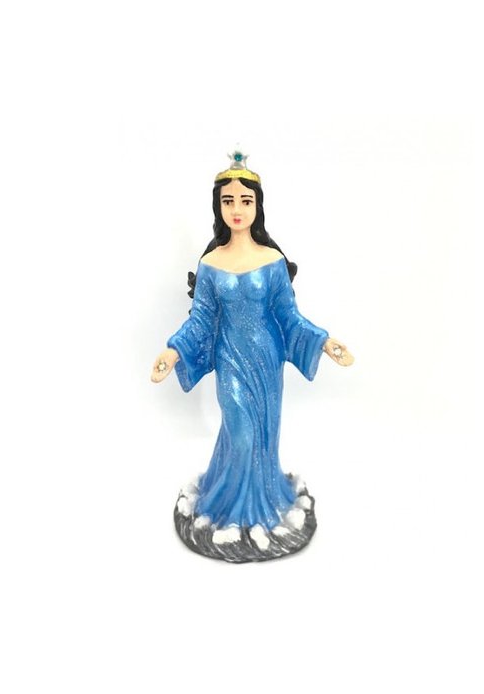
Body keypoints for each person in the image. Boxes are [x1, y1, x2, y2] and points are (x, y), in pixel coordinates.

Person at [151, 151, 353, 562]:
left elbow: (289, 317)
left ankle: (261, 506)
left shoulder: (273, 262)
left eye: (246, 200)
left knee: (262, 438)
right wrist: (173, 351)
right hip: (231, 360)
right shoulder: (210, 265)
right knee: (241, 434)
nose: (237, 209)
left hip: (267, 361)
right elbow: (201, 320)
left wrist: (323, 341)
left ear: (258, 205)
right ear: (218, 207)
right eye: (228, 201)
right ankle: (226, 508)